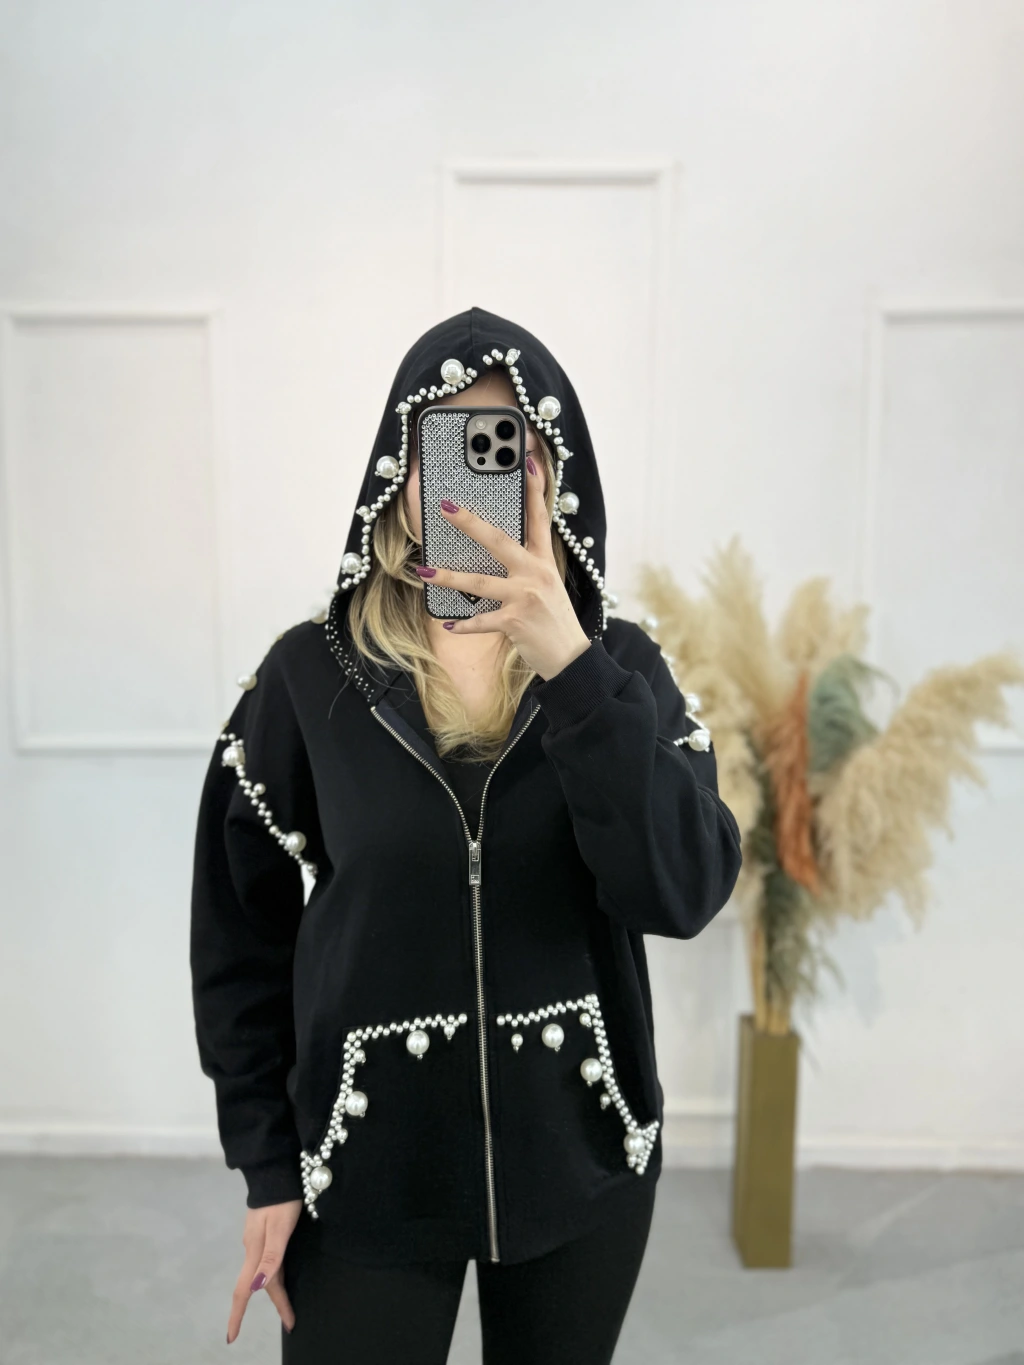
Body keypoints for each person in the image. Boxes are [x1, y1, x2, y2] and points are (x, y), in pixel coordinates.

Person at [189, 305, 743, 1364]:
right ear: (399, 474)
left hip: (578, 1158)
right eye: (444, 445)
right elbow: (237, 937)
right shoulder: (309, 676)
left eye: (506, 450)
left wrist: (573, 669)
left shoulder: (622, 669)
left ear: (552, 476)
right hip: (367, 1170)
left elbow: (680, 891)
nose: (472, 480)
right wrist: (267, 1164)